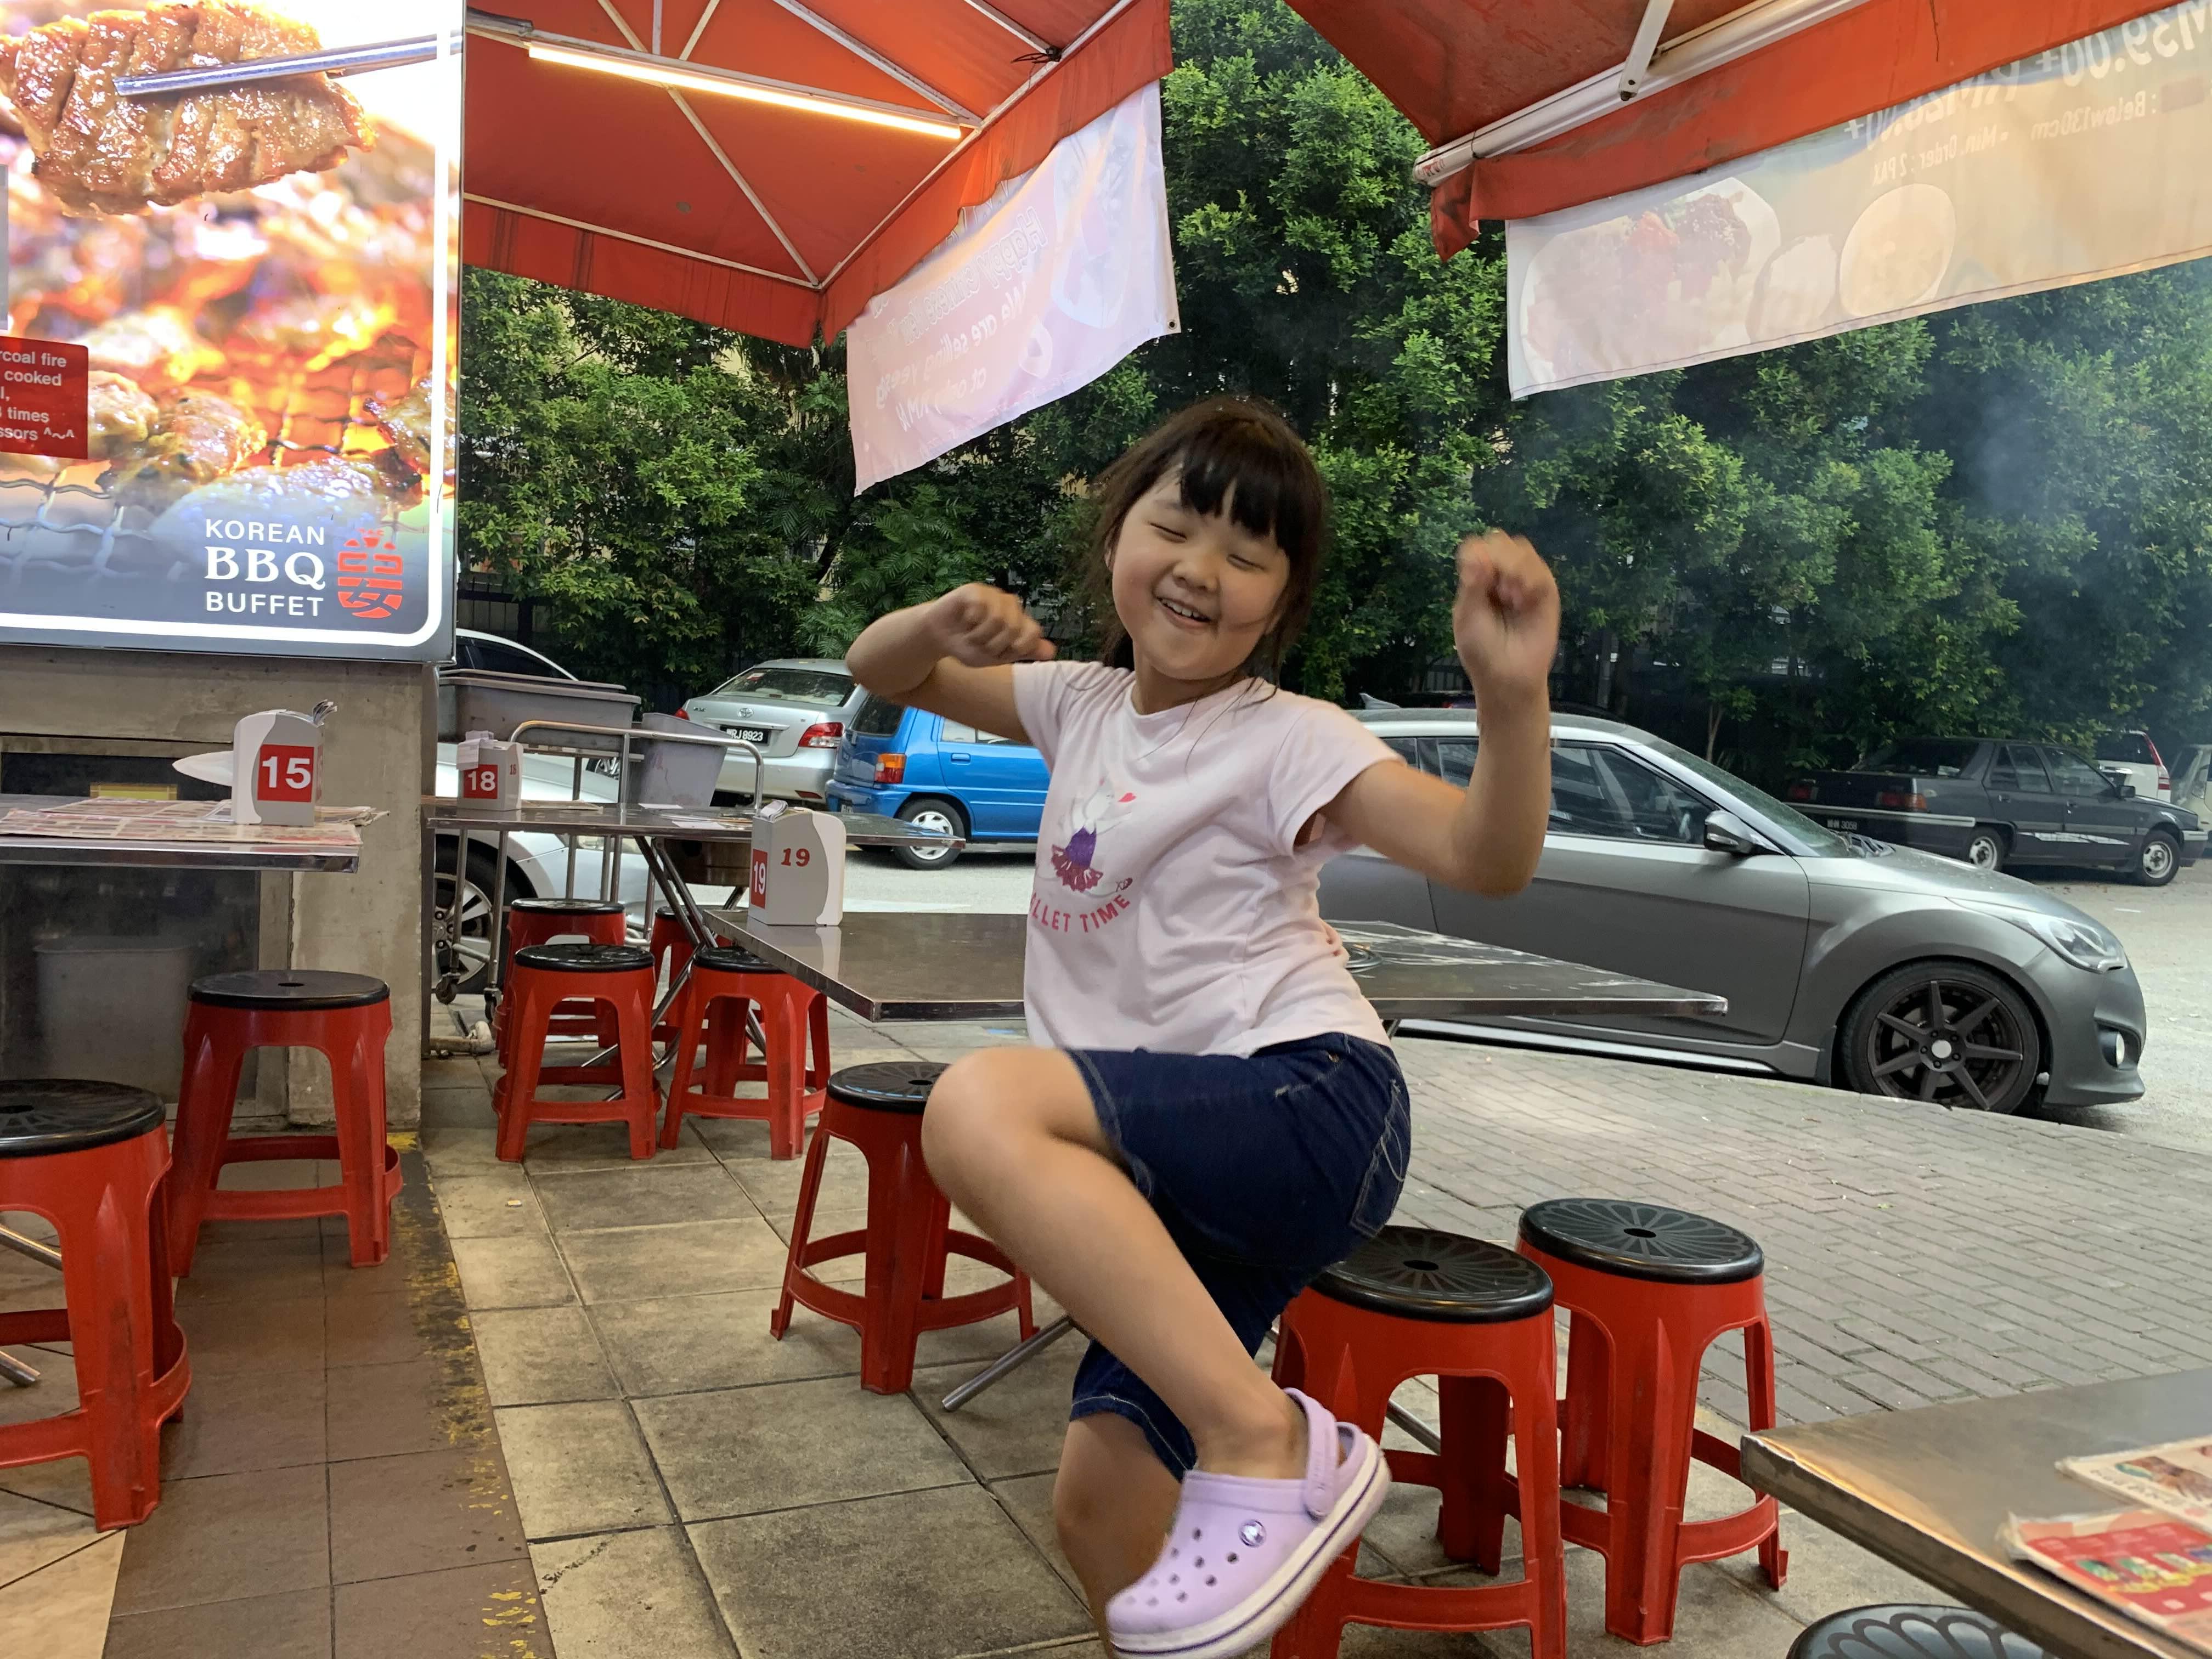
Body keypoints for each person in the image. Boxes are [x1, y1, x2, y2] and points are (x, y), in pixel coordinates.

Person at [845, 396, 1558, 1657]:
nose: (1201, 571)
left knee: (982, 1103)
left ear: (1280, 605)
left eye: (1248, 556)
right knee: (1100, 1495)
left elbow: (1482, 857)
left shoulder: (1289, 739)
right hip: (1180, 1172)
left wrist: (1513, 700)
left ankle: (1268, 1438)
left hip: (1307, 1101)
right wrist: (940, 622)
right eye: (1175, 529)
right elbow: (879, 668)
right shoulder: (1075, 703)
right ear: (1118, 534)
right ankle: (1237, 1476)